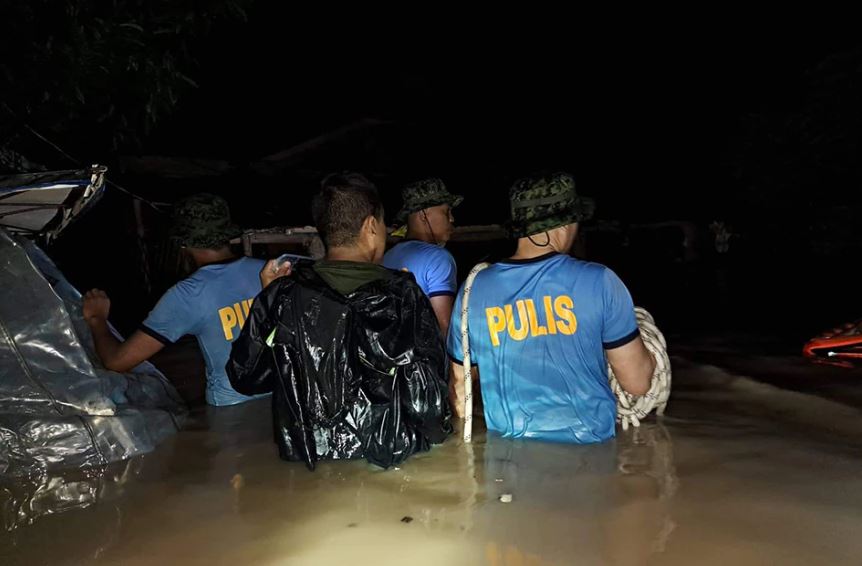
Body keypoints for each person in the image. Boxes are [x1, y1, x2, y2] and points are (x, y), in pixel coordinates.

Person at [227, 172, 450, 469]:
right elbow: (429, 404)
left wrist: (270, 301)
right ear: (371, 226)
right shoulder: (403, 293)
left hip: (310, 461)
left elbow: (246, 378)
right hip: (388, 461)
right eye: (385, 225)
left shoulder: (283, 294)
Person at [447, 172, 655, 443]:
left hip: (507, 462)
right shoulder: (601, 281)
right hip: (591, 460)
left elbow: (459, 387)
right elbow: (638, 384)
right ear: (566, 224)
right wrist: (651, 353)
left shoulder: (473, 291)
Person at [82, 193, 270, 406]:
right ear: (227, 234)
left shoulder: (189, 294)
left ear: (182, 245)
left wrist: (97, 319)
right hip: (281, 398)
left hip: (231, 408)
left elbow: (117, 361)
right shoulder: (267, 271)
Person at [383, 178, 462, 336]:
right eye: (446, 212)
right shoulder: (438, 258)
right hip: (426, 359)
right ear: (423, 215)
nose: (452, 219)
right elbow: (445, 327)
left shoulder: (386, 257)